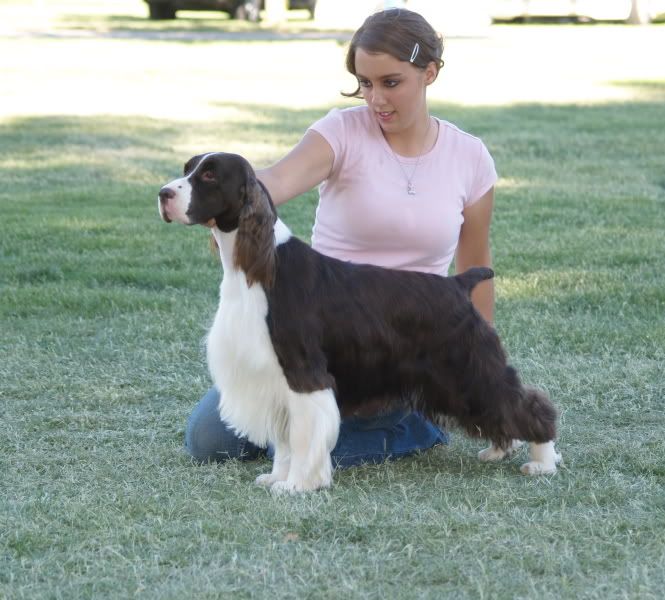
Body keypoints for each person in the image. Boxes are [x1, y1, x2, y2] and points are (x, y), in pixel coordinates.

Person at [184, 7, 498, 468]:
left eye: (391, 83)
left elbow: (475, 263)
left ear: (429, 73)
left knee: (297, 439)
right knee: (211, 440)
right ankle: (382, 423)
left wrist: (480, 362)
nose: (376, 100)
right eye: (365, 83)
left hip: (404, 339)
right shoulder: (341, 132)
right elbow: (275, 179)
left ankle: (408, 411)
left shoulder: (470, 158)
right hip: (319, 331)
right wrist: (227, 201)